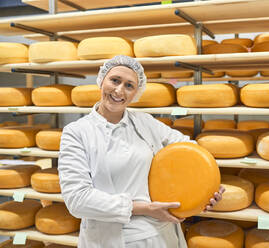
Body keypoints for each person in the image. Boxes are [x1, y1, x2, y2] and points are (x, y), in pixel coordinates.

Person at [58, 55, 225, 248]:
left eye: (129, 85)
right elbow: (77, 200)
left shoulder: (144, 121)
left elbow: (190, 150)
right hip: (114, 239)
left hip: (162, 234)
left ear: (136, 92)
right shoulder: (77, 132)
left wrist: (207, 185)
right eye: (115, 80)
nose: (119, 90)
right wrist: (145, 209)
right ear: (101, 80)